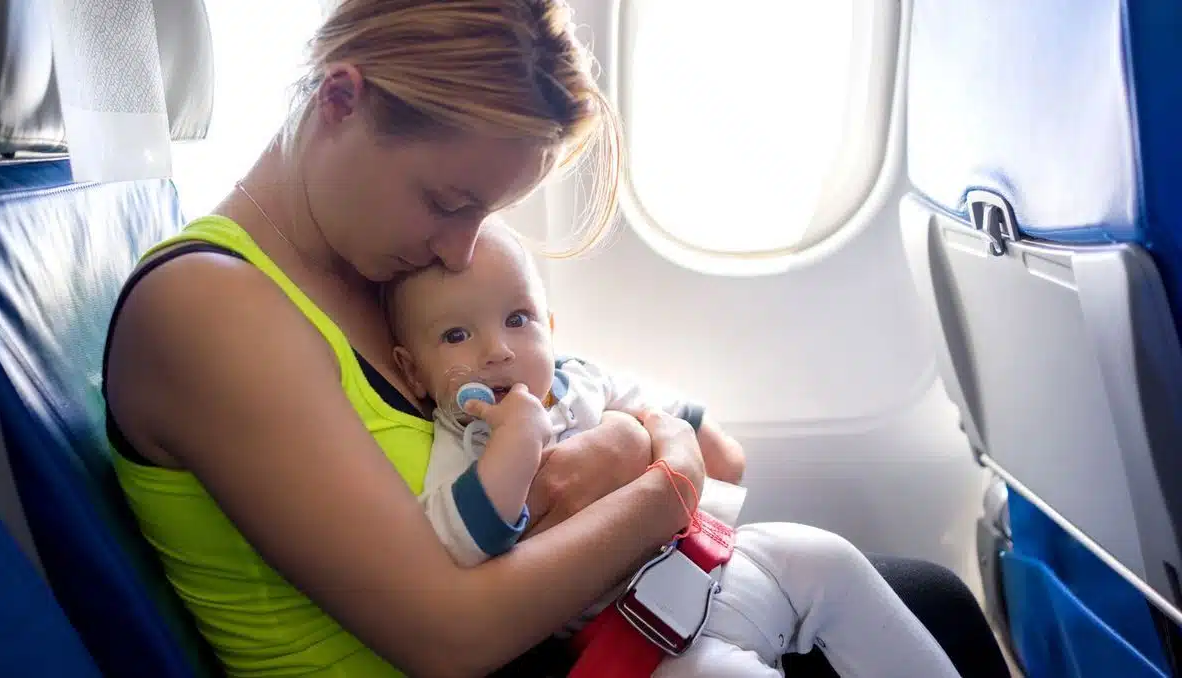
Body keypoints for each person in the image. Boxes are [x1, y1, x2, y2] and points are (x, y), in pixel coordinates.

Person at [101, 1, 1010, 677]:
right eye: (448, 202)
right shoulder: (209, 312)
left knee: (914, 592)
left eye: (487, 214)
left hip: (550, 640)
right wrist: (669, 481)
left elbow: (564, 411)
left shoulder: (367, 266)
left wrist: (644, 442)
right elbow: (448, 634)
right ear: (343, 100)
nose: (462, 249)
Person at [385, 221, 963, 677]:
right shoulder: (463, 440)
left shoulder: (577, 378)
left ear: (551, 325)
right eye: (456, 335)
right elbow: (456, 545)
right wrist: (515, 445)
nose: (499, 350)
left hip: (716, 558)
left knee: (824, 554)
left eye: (518, 320)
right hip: (644, 635)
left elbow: (684, 424)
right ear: (414, 373)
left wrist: (678, 432)